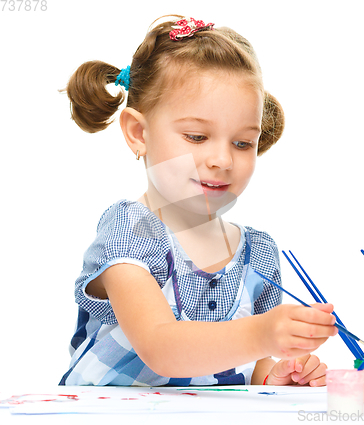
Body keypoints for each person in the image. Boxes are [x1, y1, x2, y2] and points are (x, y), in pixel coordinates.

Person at [59, 15, 338, 387]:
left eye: (242, 143)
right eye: (196, 136)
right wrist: (263, 332)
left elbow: (248, 365)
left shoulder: (258, 252)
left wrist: (278, 374)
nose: (222, 160)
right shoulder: (131, 232)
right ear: (138, 133)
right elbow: (160, 346)